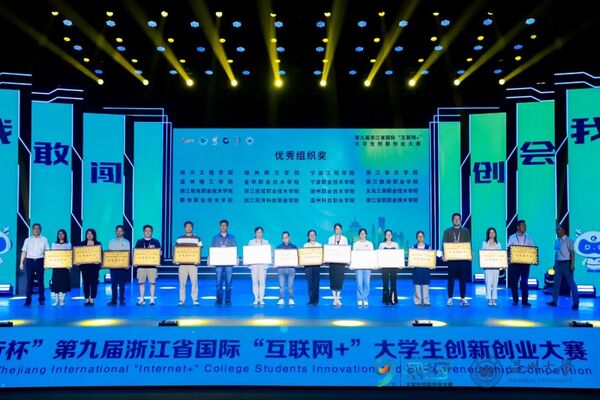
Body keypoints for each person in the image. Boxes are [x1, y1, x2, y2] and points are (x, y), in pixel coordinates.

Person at [442, 212, 472, 306]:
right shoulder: (447, 231)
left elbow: (468, 244)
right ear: (452, 220)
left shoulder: (465, 231)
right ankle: (450, 298)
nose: (456, 220)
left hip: (462, 260)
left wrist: (470, 254)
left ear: (460, 220)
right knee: (450, 279)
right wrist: (444, 254)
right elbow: (444, 244)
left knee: (463, 279)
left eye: (458, 219)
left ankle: (463, 298)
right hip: (451, 260)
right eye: (455, 219)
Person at [547, 224, 579, 310]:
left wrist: (572, 265)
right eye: (557, 230)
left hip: (566, 263)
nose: (557, 231)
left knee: (571, 283)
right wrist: (554, 264)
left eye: (559, 230)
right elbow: (557, 253)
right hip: (558, 264)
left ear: (563, 230)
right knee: (556, 283)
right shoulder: (557, 240)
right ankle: (554, 301)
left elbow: (572, 253)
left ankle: (576, 303)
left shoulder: (569, 240)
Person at [19, 223, 50, 306]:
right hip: (30, 261)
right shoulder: (27, 240)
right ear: (32, 230)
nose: (36, 230)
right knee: (29, 281)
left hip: (40, 261)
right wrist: (21, 262)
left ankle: (41, 299)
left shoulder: (44, 239)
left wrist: (47, 263)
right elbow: (24, 251)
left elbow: (47, 252)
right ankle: (28, 300)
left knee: (40, 281)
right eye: (35, 228)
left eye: (38, 228)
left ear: (40, 230)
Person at [507, 220, 534, 306]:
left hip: (525, 264)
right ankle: (515, 299)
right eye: (523, 226)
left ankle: (525, 301)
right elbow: (509, 250)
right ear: (518, 227)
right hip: (515, 264)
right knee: (514, 282)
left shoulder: (529, 237)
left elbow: (532, 250)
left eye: (525, 226)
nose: (525, 227)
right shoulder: (512, 237)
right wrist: (509, 259)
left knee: (524, 282)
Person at [210, 219, 237, 305]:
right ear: (219, 226)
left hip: (229, 263)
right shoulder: (215, 237)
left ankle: (228, 299)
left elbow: (234, 249)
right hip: (218, 263)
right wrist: (210, 258)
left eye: (225, 225)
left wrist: (236, 258)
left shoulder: (232, 237)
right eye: (222, 225)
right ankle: (219, 300)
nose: (223, 227)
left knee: (228, 282)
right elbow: (212, 249)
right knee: (218, 282)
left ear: (227, 227)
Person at [175, 221, 202, 306]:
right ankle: (182, 300)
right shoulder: (179, 239)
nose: (188, 228)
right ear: (184, 228)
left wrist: (198, 260)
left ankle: (195, 299)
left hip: (193, 265)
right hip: (182, 265)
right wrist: (176, 260)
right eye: (187, 226)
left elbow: (199, 250)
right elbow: (176, 251)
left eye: (190, 226)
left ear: (192, 228)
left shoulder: (197, 238)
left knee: (194, 283)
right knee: (182, 283)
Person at [134, 225, 161, 305]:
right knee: (141, 283)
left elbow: (160, 254)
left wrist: (159, 262)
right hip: (141, 267)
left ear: (152, 232)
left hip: (152, 267)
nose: (148, 232)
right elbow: (135, 254)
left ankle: (152, 299)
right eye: (146, 231)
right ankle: (141, 299)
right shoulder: (139, 242)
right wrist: (135, 262)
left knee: (152, 283)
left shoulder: (156, 242)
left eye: (149, 231)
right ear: (144, 232)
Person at [107, 225, 130, 306]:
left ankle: (122, 299)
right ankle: (113, 300)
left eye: (121, 231)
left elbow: (127, 254)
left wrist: (127, 264)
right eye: (117, 231)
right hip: (113, 266)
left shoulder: (126, 242)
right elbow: (109, 254)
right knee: (113, 284)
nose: (119, 232)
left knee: (122, 284)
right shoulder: (111, 242)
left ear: (123, 232)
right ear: (115, 232)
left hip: (122, 266)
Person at [79, 228, 101, 306]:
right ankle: (86, 298)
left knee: (94, 283)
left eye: (91, 234)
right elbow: (79, 254)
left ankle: (92, 299)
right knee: (86, 283)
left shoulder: (98, 243)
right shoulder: (82, 244)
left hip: (94, 267)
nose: (89, 235)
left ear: (94, 235)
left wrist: (99, 261)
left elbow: (100, 254)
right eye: (88, 234)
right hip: (85, 267)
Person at [327, 223, 348, 307]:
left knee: (340, 280)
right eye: (336, 229)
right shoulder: (330, 239)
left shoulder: (345, 239)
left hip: (341, 263)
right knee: (332, 280)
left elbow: (346, 250)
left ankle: (338, 298)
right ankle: (334, 298)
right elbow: (328, 250)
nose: (338, 230)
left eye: (339, 229)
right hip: (332, 263)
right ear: (334, 230)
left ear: (341, 230)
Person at [247, 226, 269, 306]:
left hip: (263, 265)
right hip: (254, 265)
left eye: (260, 232)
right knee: (255, 282)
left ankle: (261, 298)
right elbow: (248, 253)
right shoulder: (251, 242)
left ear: (262, 233)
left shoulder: (266, 242)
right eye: (257, 232)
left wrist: (267, 263)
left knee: (262, 282)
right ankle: (256, 298)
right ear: (255, 233)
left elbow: (267, 253)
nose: (259, 233)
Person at [353, 228, 374, 307]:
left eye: (364, 233)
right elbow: (354, 255)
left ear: (366, 235)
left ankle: (365, 299)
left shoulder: (370, 244)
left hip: (367, 266)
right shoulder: (356, 244)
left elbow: (372, 255)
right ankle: (359, 299)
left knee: (367, 283)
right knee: (359, 282)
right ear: (359, 235)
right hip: (358, 266)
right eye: (361, 233)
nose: (362, 235)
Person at [276, 231, 298, 306]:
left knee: (290, 285)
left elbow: (297, 257)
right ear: (282, 238)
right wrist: (275, 263)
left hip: (291, 268)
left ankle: (291, 299)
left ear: (289, 237)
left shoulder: (294, 247)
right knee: (281, 285)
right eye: (283, 237)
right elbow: (276, 258)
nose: (285, 239)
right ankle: (281, 299)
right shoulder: (278, 247)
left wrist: (297, 263)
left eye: (286, 237)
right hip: (281, 268)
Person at [50, 229, 71, 306]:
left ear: (65, 235)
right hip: (56, 267)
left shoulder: (68, 244)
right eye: (59, 234)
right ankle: (56, 301)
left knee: (64, 284)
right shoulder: (54, 244)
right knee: (56, 284)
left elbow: (70, 255)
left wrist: (69, 265)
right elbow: (51, 255)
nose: (60, 235)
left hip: (65, 267)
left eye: (62, 234)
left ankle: (62, 300)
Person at [379, 229, 400, 305]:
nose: (388, 236)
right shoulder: (381, 245)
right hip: (385, 266)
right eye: (387, 234)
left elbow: (398, 256)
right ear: (385, 236)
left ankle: (393, 299)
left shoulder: (396, 244)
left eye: (390, 234)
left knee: (393, 283)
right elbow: (379, 256)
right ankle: (386, 299)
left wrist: (399, 264)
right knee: (385, 283)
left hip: (393, 266)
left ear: (392, 236)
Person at [482, 227, 502, 307]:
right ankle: (489, 298)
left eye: (493, 232)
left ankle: (494, 298)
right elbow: (482, 254)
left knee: (495, 283)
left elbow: (500, 255)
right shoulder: (484, 243)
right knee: (488, 282)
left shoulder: (498, 244)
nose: (492, 234)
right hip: (487, 266)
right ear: (488, 234)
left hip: (496, 266)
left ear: (495, 234)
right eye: (490, 233)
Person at [412, 231, 432, 307]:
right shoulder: (413, 247)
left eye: (422, 236)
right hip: (417, 269)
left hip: (425, 269)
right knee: (417, 285)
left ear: (424, 237)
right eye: (419, 236)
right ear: (416, 238)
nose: (420, 238)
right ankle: (417, 301)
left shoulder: (428, 247)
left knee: (425, 285)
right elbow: (412, 258)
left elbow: (430, 258)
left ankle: (426, 301)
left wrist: (431, 265)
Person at [303, 229, 322, 306]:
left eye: (313, 235)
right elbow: (303, 256)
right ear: (308, 236)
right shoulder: (305, 245)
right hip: (308, 266)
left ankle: (316, 300)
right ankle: (311, 300)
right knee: (310, 283)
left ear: (316, 236)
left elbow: (321, 256)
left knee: (316, 283)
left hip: (317, 266)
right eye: (310, 235)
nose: (312, 236)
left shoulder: (319, 245)